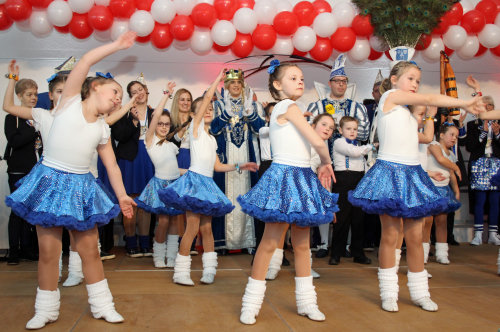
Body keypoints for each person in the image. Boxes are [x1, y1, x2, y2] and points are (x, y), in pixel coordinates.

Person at [4, 32, 137, 329]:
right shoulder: (68, 103)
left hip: (80, 186)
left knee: (89, 249)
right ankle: (46, 308)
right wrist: (116, 45)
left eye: (120, 97)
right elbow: (88, 59)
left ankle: (102, 305)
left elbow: (112, 166)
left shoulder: (102, 129)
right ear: (95, 87)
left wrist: (123, 195)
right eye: (115, 92)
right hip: (49, 182)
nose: (118, 99)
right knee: (49, 251)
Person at [348, 60, 483, 313]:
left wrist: (429, 113)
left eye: (417, 81)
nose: (414, 84)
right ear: (395, 79)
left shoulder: (408, 116)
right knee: (391, 235)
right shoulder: (389, 97)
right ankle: (389, 292)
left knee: (416, 237)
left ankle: (420, 292)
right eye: (410, 78)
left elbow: (426, 137)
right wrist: (464, 102)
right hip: (390, 173)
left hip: (412, 175)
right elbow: (430, 96)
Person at [238, 60, 338, 324]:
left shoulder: (295, 110)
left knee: (302, 245)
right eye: (293, 78)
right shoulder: (287, 106)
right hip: (286, 175)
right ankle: (251, 303)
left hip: (302, 176)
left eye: (301, 77)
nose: (300, 81)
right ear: (277, 85)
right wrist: (327, 162)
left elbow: (307, 140)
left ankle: (307, 302)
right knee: (272, 241)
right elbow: (317, 141)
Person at [159, 69, 258, 286]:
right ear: (195, 114)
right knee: (192, 228)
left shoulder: (212, 139)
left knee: (207, 229)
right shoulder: (195, 131)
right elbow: (203, 104)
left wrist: (241, 165)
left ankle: (209, 269)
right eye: (205, 108)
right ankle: (181, 272)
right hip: (195, 183)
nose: (209, 110)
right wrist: (216, 81)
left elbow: (218, 166)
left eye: (211, 108)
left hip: (208, 184)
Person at [100, 77, 156, 257]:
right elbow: (119, 136)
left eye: (140, 89)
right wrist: (133, 121)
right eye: (134, 92)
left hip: (149, 158)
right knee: (131, 200)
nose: (138, 93)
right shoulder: (123, 113)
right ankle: (131, 243)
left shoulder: (154, 112)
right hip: (130, 160)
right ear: (130, 97)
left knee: (145, 202)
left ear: (146, 90)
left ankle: (146, 243)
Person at [210, 69, 265, 252]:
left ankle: (248, 242)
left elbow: (262, 131)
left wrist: (251, 114)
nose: (235, 85)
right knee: (224, 196)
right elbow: (213, 130)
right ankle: (223, 243)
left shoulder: (253, 105)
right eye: (232, 82)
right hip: (226, 157)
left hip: (247, 156)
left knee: (248, 197)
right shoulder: (217, 105)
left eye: (238, 82)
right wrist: (225, 114)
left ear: (242, 85)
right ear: (226, 85)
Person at [134, 82, 186, 268]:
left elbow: (174, 168)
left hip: (174, 184)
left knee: (174, 222)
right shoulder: (150, 140)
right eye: (161, 124)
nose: (163, 127)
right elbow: (155, 115)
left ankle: (171, 256)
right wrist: (166, 94)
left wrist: (189, 172)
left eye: (167, 124)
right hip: (160, 185)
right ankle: (158, 255)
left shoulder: (172, 145)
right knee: (163, 221)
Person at [3, 76, 40, 265]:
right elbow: (15, 141)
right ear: (19, 96)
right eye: (29, 94)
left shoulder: (37, 116)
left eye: (35, 94)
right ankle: (14, 252)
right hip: (19, 170)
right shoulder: (13, 118)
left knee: (30, 210)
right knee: (18, 211)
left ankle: (27, 248)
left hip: (36, 171)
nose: (33, 98)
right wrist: (34, 130)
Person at [329, 116, 374, 266]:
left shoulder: (359, 146)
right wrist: (370, 146)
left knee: (358, 220)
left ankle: (358, 253)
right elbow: (354, 152)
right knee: (341, 219)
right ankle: (336, 253)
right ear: (341, 130)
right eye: (348, 129)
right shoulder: (339, 142)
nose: (352, 131)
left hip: (358, 180)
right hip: (343, 180)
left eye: (355, 129)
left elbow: (363, 162)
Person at [306, 53, 370, 152]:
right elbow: (308, 131)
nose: (341, 84)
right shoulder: (316, 106)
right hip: (322, 160)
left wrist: (338, 126)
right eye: (337, 81)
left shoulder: (357, 107)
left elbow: (365, 134)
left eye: (344, 81)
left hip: (350, 162)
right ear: (329, 84)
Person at [465, 95, 500, 246]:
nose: (487, 110)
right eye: (485, 107)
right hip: (479, 164)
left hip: (496, 163)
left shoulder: (499, 124)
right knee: (479, 201)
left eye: (490, 107)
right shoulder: (473, 125)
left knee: (495, 201)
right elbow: (469, 147)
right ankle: (478, 234)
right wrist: (484, 133)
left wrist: (497, 134)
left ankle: (493, 234)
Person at [426, 125, 462, 264]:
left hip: (443, 190)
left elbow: (451, 174)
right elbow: (440, 159)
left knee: (442, 222)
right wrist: (456, 167)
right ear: (441, 135)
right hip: (431, 188)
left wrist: (456, 190)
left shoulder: (451, 154)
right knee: (427, 222)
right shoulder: (434, 145)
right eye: (451, 134)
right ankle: (423, 253)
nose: (454, 138)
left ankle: (442, 253)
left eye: (456, 136)